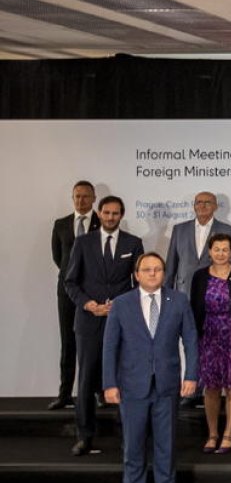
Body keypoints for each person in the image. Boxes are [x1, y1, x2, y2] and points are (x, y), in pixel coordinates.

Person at [101, 252, 199, 483]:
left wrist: (192, 375)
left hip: (167, 386)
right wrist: (109, 383)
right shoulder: (121, 304)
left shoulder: (178, 300)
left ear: (164, 273)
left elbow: (191, 340)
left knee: (166, 449)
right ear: (137, 275)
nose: (152, 273)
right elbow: (109, 346)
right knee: (133, 449)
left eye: (157, 269)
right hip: (131, 387)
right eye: (147, 269)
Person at [63, 194, 144, 456]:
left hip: (123, 323)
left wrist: (120, 306)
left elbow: (142, 284)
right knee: (86, 381)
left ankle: (127, 438)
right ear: (99, 214)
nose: (111, 217)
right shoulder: (83, 243)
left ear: (122, 215)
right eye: (106, 213)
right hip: (89, 322)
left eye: (116, 213)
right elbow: (70, 282)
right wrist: (89, 305)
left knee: (125, 380)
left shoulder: (134, 243)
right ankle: (85, 436)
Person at [189, 233, 231, 454]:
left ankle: (229, 434)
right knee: (211, 387)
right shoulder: (199, 277)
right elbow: (193, 309)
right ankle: (213, 433)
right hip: (208, 337)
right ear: (209, 251)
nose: (221, 253)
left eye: (226, 249)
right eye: (217, 249)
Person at [49, 180, 99, 411]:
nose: (81, 201)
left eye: (85, 196)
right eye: (77, 196)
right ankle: (64, 393)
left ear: (94, 198)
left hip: (94, 292)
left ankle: (97, 392)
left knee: (95, 344)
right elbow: (59, 258)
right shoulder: (60, 224)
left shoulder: (103, 222)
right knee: (67, 342)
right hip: (67, 291)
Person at [166, 191, 231, 295]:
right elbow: (171, 264)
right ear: (194, 206)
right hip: (184, 290)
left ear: (215, 207)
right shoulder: (179, 229)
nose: (202, 206)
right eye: (199, 202)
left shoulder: (228, 230)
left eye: (207, 202)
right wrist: (166, 293)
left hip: (216, 291)